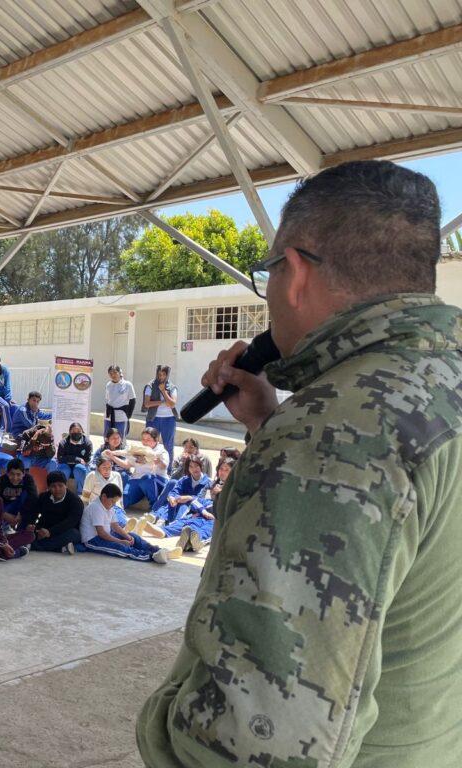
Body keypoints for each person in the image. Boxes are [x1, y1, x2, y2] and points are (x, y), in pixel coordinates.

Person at [138, 160, 462, 766]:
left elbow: (263, 740)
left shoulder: (332, 431)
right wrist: (268, 424)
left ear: (294, 273)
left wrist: (158, 724)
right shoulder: (440, 384)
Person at [80, 484, 175, 564]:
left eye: (115, 502)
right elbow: (101, 533)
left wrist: (128, 537)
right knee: (120, 547)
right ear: (104, 496)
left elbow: (115, 526)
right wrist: (119, 541)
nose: (114, 504)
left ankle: (157, 550)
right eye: (112, 501)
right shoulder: (95, 507)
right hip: (93, 540)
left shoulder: (109, 506)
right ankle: (151, 556)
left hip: (107, 534)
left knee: (133, 536)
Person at [23, 470, 82, 554]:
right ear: (48, 487)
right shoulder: (43, 497)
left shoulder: (75, 501)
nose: (57, 489)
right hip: (43, 530)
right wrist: (31, 524)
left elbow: (70, 522)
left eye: (60, 485)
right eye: (53, 486)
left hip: (62, 531)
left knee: (75, 534)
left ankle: (32, 545)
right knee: (26, 530)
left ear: (66, 485)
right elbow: (34, 513)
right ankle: (60, 548)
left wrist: (50, 532)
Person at [115, 427, 169, 509]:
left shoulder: (161, 451)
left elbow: (164, 466)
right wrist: (112, 456)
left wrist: (158, 462)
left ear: (156, 440)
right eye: (143, 439)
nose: (145, 442)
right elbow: (127, 464)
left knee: (146, 478)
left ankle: (155, 507)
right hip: (137, 479)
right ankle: (117, 512)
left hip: (155, 481)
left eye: (148, 439)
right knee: (124, 499)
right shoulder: (138, 449)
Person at [150, 455, 211, 525]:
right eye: (191, 467)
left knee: (184, 506)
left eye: (196, 466)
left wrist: (189, 498)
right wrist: (171, 497)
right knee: (171, 502)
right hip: (178, 505)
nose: (194, 469)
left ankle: (169, 523)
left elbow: (205, 500)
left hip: (195, 509)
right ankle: (155, 517)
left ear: (201, 466)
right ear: (188, 469)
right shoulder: (184, 480)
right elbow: (174, 491)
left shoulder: (209, 482)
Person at [142, 364, 177, 461]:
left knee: (168, 445)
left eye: (163, 375)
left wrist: (163, 391)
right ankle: (148, 465)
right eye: (159, 374)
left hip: (169, 419)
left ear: (167, 375)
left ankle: (168, 467)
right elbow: (147, 404)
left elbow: (172, 404)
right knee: (149, 443)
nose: (161, 377)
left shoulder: (172, 387)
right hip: (153, 418)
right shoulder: (150, 386)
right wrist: (162, 402)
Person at [0, 458, 38, 526]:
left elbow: (34, 497)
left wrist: (21, 513)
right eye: (12, 474)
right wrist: (4, 514)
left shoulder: (28, 479)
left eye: (18, 474)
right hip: (6, 507)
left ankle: (24, 526)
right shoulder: (1, 481)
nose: (15, 478)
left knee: (29, 497)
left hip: (22, 507)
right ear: (7, 473)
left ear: (23, 474)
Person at [55, 422, 92, 489]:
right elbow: (60, 458)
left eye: (78, 431)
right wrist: (77, 459)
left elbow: (87, 459)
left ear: (82, 432)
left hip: (80, 467)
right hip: (66, 465)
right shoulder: (63, 443)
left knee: (79, 469)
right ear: (69, 432)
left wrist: (68, 458)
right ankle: (61, 491)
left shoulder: (87, 443)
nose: (76, 433)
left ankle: (80, 493)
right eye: (73, 431)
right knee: (64, 469)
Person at [103, 365, 136, 439]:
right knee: (107, 438)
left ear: (120, 373)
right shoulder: (108, 385)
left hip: (121, 416)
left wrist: (128, 415)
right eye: (110, 373)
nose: (113, 375)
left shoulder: (127, 385)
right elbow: (108, 399)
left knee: (120, 438)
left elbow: (133, 401)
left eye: (115, 372)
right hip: (109, 415)